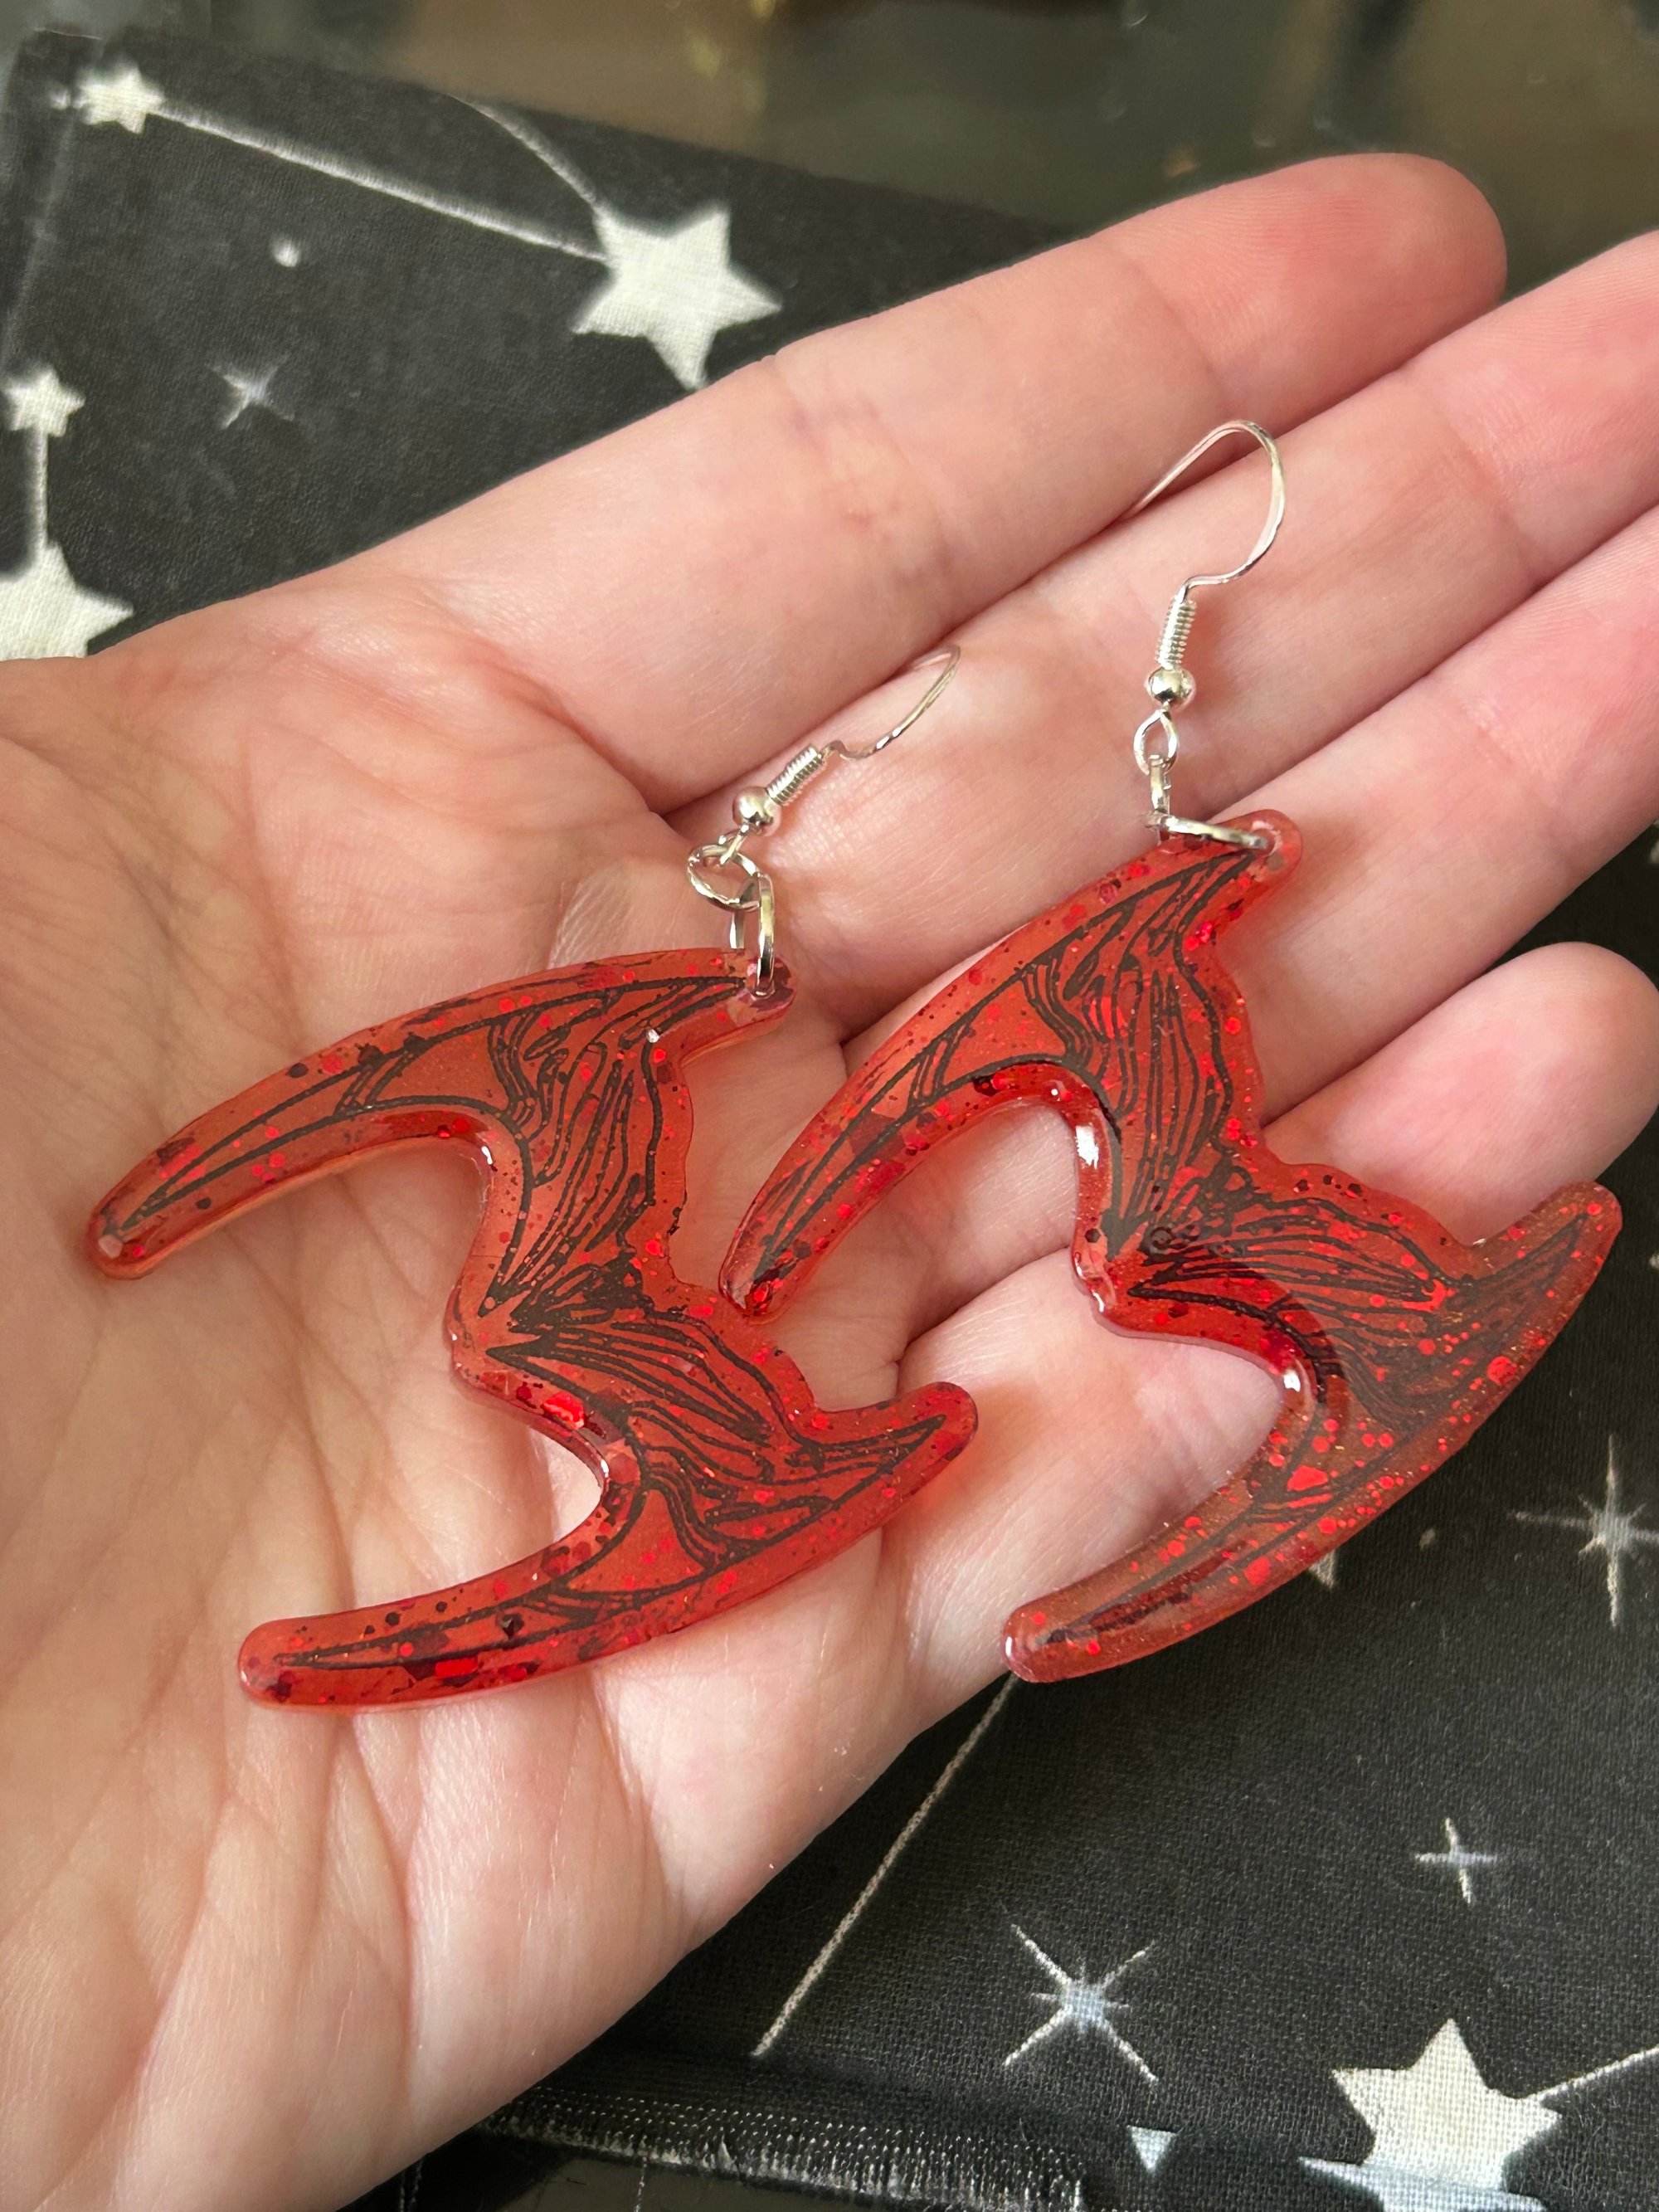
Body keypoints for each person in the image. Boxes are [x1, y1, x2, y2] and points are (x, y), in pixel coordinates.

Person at [3, 151, 1657, 2212]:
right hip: (751, 1229)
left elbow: (894, 1122)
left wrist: (807, 1210)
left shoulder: (1083, 974)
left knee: (1132, 1235)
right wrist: (788, 1205)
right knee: (668, 1286)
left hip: (954, 1168)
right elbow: (873, 1126)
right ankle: (770, 1438)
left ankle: (1281, 1330)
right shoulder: (685, 1054)